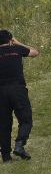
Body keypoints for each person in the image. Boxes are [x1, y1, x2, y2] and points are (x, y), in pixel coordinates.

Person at [0, 30, 38, 162]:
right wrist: (17, 42)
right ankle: (19, 145)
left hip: (1, 92)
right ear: (10, 40)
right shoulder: (17, 49)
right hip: (18, 90)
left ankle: (5, 157)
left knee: (4, 124)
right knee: (26, 119)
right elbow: (35, 52)